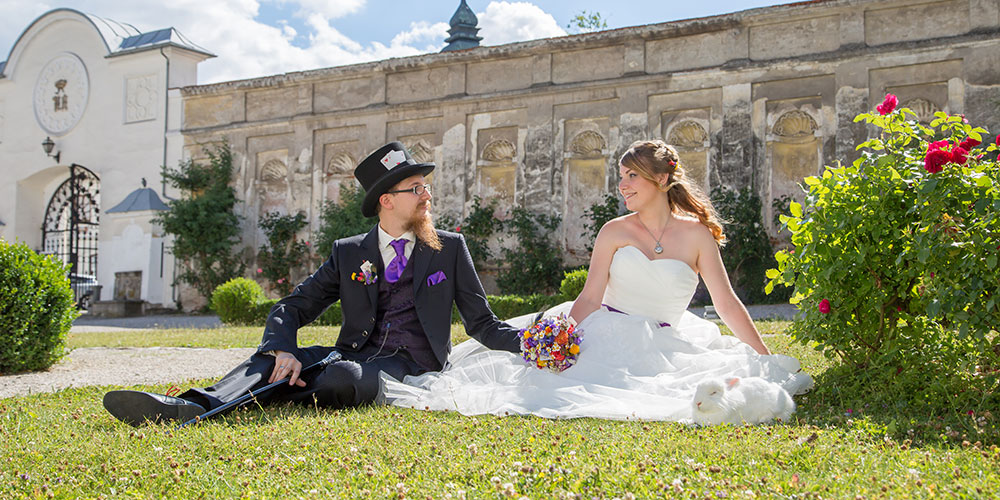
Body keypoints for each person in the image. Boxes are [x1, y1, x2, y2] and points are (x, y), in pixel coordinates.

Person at [380, 140, 813, 421]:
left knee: (668, 390)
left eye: (632, 177)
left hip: (664, 340)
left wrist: (764, 354)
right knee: (550, 385)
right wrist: (558, 336)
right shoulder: (614, 231)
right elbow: (589, 297)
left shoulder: (697, 235)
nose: (622, 186)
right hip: (604, 328)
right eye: (621, 177)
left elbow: (727, 304)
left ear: (662, 179)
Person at [103, 142, 522, 426]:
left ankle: (272, 393)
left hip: (410, 363)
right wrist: (284, 347)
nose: (426, 195)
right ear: (387, 201)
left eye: (425, 186)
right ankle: (189, 406)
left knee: (344, 377)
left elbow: (482, 323)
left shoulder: (448, 248)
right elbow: (293, 306)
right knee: (273, 359)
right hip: (353, 351)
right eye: (415, 188)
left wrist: (532, 342)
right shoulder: (349, 252)